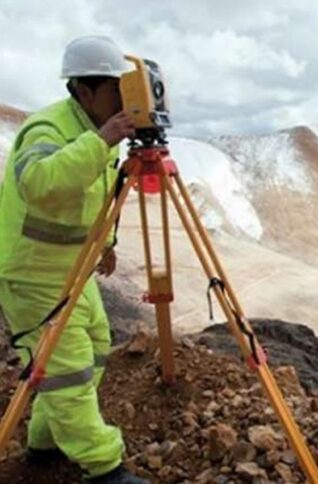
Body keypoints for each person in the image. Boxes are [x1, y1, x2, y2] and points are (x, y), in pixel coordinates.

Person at [0, 36, 147, 483]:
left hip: (72, 270)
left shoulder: (98, 132)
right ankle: (105, 469)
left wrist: (106, 243)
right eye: (116, 91)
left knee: (96, 349)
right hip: (32, 273)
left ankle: (45, 442)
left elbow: (93, 196)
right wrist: (101, 141)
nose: (125, 102)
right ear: (84, 91)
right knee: (67, 368)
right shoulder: (48, 129)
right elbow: (43, 185)